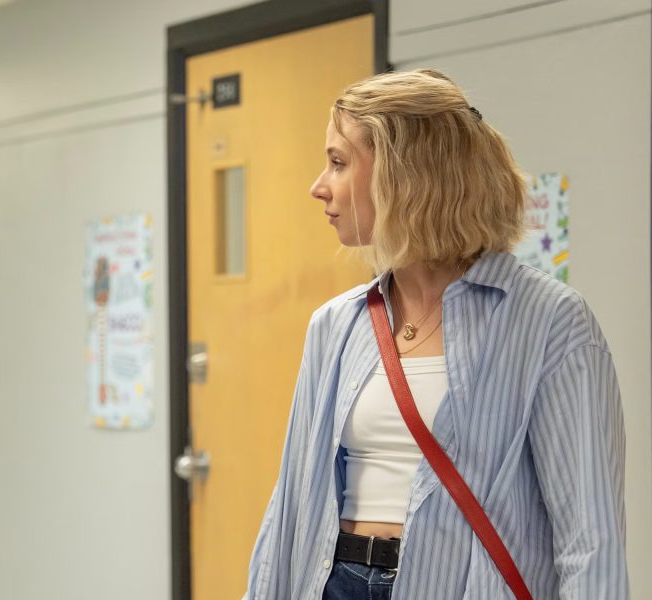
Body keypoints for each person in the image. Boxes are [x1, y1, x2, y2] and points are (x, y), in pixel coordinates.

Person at [244, 69, 626, 599]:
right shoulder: (336, 325)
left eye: (338, 162)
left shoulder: (550, 321)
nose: (319, 186)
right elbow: (289, 508)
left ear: (404, 175)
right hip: (337, 583)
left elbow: (590, 539)